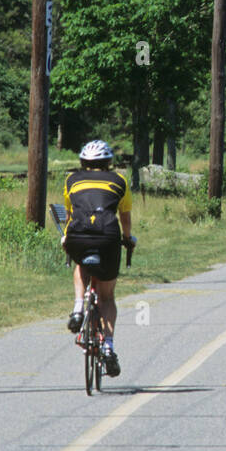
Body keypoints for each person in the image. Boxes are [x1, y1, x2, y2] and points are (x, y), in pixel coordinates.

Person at [61, 139, 132, 376]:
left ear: (83, 162)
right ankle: (109, 347)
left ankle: (78, 308)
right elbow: (125, 218)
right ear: (108, 162)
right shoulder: (119, 180)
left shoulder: (71, 179)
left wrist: (66, 238)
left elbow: (71, 214)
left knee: (81, 262)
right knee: (107, 296)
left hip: (78, 235)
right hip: (108, 237)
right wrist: (128, 238)